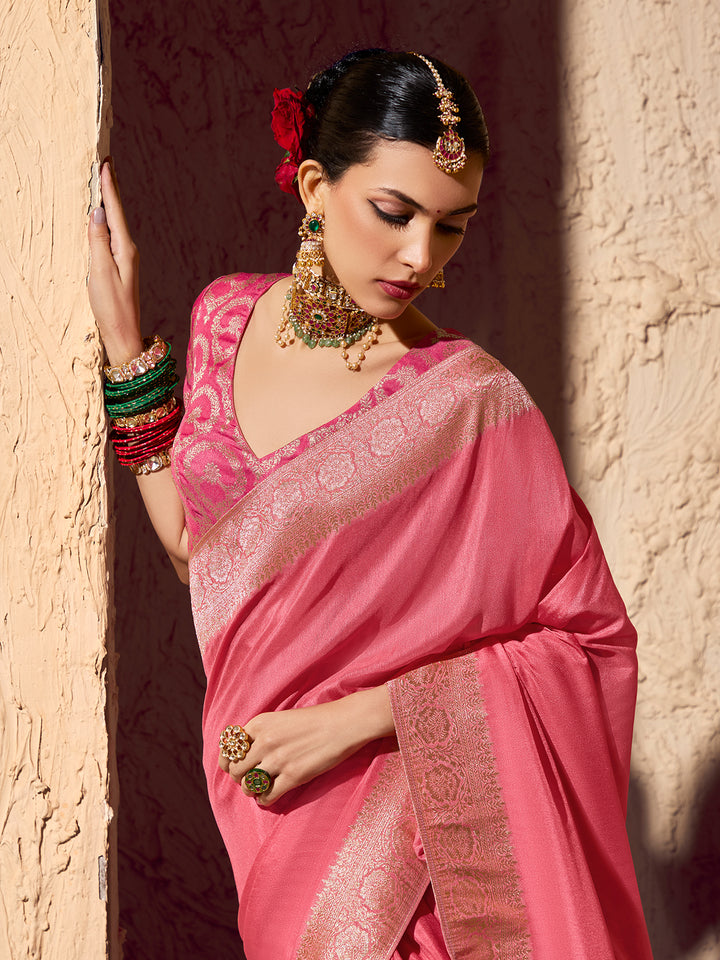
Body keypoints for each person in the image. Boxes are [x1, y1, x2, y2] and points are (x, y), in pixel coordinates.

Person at [88, 49, 653, 960]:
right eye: (395, 213)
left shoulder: (468, 405)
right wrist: (127, 357)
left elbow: (589, 646)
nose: (421, 257)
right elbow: (199, 547)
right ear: (316, 186)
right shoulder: (225, 318)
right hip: (269, 823)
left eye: (451, 226)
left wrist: (361, 719)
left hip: (416, 846)